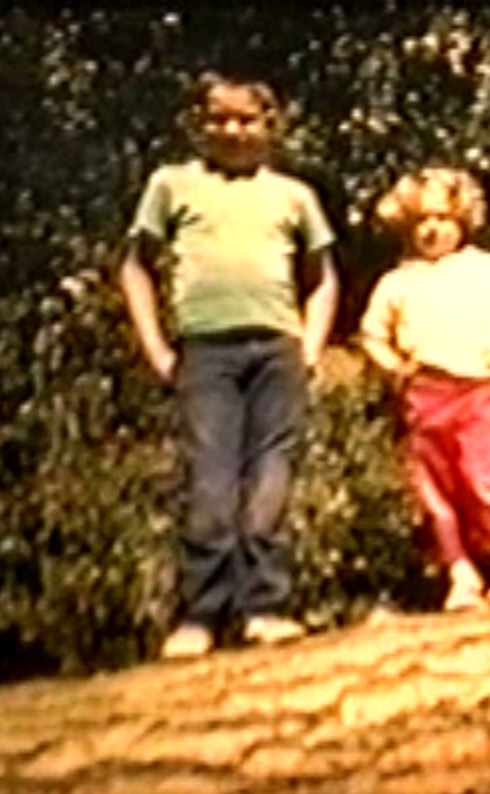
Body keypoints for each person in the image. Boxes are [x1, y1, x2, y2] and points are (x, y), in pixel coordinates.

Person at [120, 72, 339, 658]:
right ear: (200, 126)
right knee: (211, 482)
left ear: (270, 126)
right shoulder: (172, 185)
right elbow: (135, 267)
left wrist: (311, 345)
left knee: (270, 479)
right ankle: (200, 616)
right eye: (220, 119)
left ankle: (265, 608)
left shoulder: (294, 195)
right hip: (205, 352)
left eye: (247, 120)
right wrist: (156, 347)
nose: (233, 131)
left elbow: (323, 278)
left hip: (277, 349)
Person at [359, 167, 490, 612]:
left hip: (481, 391)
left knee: (489, 479)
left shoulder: (488, 268)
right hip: (426, 395)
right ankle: (461, 575)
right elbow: (372, 335)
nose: (432, 229)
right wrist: (396, 367)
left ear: (464, 220)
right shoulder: (398, 281)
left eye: (443, 218)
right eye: (421, 220)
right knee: (438, 493)